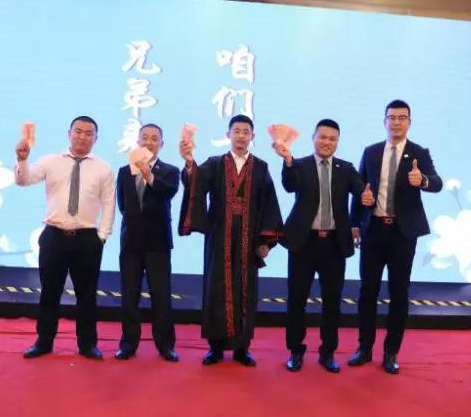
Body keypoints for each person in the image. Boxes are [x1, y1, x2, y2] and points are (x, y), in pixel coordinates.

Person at [178, 114, 283, 367]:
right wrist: (189, 162)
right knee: (217, 289)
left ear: (252, 137)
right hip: (219, 239)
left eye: (246, 132)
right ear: (228, 135)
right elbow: (195, 184)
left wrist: (265, 242)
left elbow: (269, 204)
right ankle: (215, 348)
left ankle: (241, 348)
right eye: (236, 131)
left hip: (248, 240)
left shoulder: (261, 168)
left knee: (245, 290)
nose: (241, 136)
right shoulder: (214, 164)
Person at [350, 100, 442, 374]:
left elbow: (437, 183)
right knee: (368, 291)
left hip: (403, 234)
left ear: (409, 123)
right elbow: (360, 188)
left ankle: (391, 352)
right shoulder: (371, 152)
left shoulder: (419, 153)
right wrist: (355, 223)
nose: (396, 122)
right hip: (373, 230)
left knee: (399, 293)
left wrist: (422, 180)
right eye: (392, 117)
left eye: (402, 118)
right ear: (385, 121)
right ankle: (364, 348)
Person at [275, 119, 372, 373]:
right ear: (313, 138)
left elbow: (361, 189)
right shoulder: (300, 164)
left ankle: (328, 352)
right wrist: (287, 160)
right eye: (323, 137)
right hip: (303, 242)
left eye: (332, 139)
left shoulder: (346, 168)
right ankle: (295, 351)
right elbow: (289, 185)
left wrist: (365, 195)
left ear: (337, 142)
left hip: (334, 244)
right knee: (297, 299)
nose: (327, 142)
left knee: (332, 301)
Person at [15, 115, 116, 360]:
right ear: (68, 133)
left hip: (87, 239)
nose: (83, 137)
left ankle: (87, 344)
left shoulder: (103, 168)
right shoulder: (51, 161)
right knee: (49, 292)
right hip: (54, 236)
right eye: (78, 131)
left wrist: (102, 236)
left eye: (89, 133)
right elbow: (23, 180)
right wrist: (22, 160)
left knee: (87, 295)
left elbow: (108, 204)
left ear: (96, 138)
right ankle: (44, 342)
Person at [114, 123, 180, 362]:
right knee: (129, 295)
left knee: (161, 295)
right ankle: (128, 344)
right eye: (145, 137)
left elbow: (167, 192)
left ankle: (165, 345)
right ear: (138, 141)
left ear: (162, 144)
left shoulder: (170, 171)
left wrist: (148, 174)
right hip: (131, 242)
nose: (149, 142)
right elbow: (123, 205)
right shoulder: (124, 171)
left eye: (154, 138)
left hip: (158, 242)